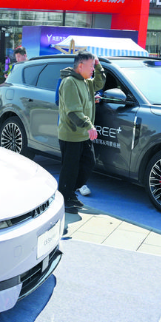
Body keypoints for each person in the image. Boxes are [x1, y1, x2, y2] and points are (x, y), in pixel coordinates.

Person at [57, 51, 105, 214]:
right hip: (71, 135)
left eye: (93, 66)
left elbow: (99, 83)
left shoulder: (86, 82)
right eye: (91, 66)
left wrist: (98, 66)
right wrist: (89, 125)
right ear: (80, 66)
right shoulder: (70, 82)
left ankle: (70, 192)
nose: (92, 69)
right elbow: (73, 111)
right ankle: (65, 198)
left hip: (83, 134)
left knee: (88, 164)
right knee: (69, 170)